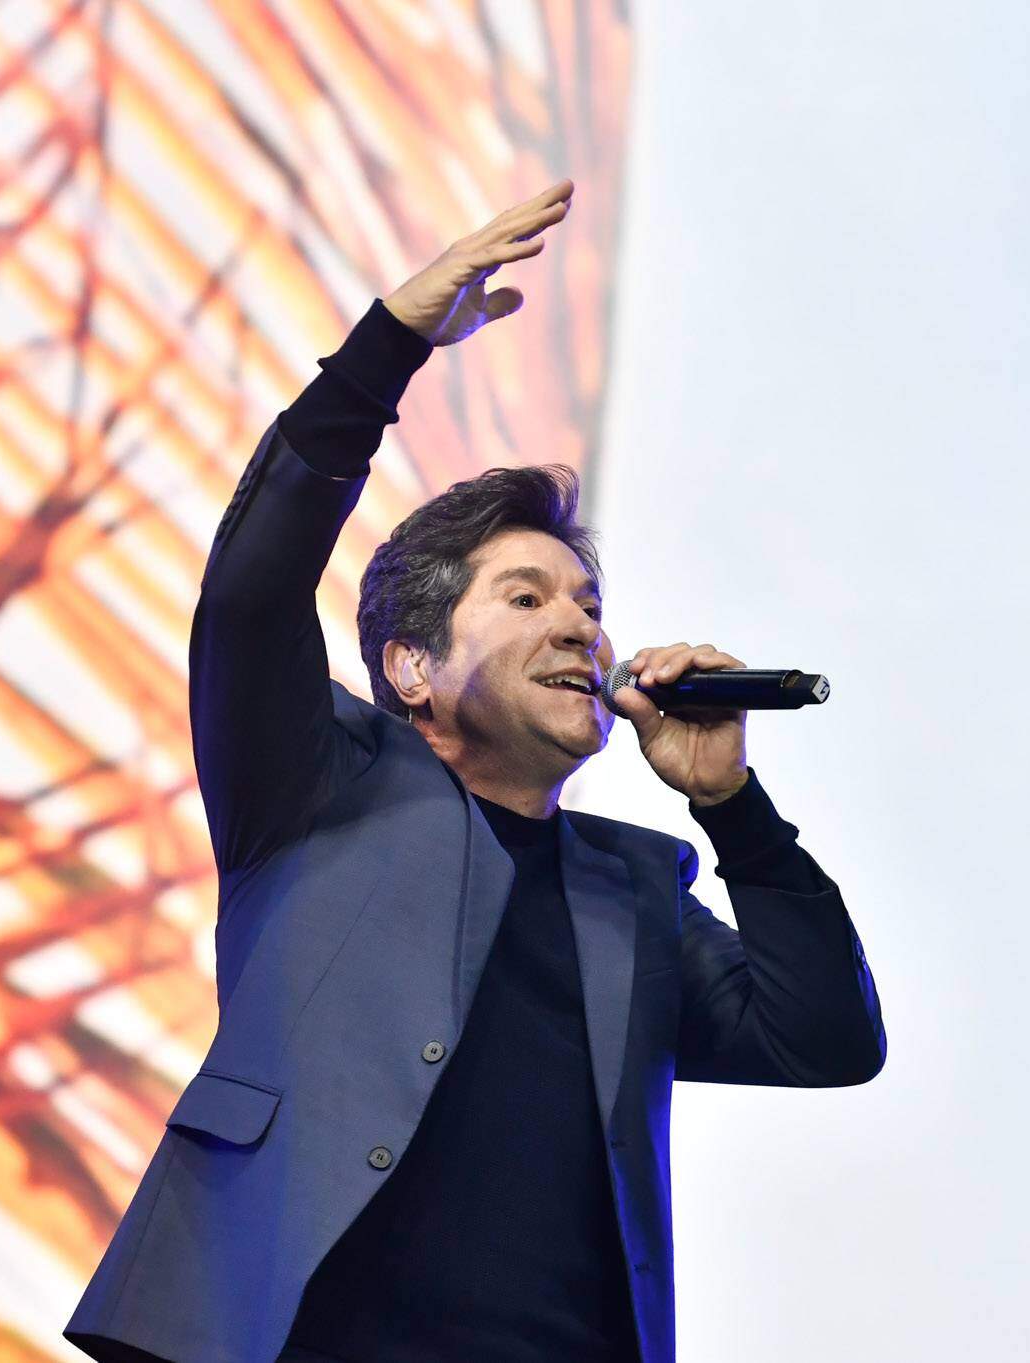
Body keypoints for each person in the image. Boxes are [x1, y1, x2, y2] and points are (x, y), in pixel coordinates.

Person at [64, 179, 887, 1363]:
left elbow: (823, 1040)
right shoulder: (317, 781)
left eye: (587, 603)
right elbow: (248, 591)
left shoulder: (631, 888)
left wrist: (731, 807)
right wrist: (385, 349)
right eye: (526, 597)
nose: (580, 627)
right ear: (411, 665)